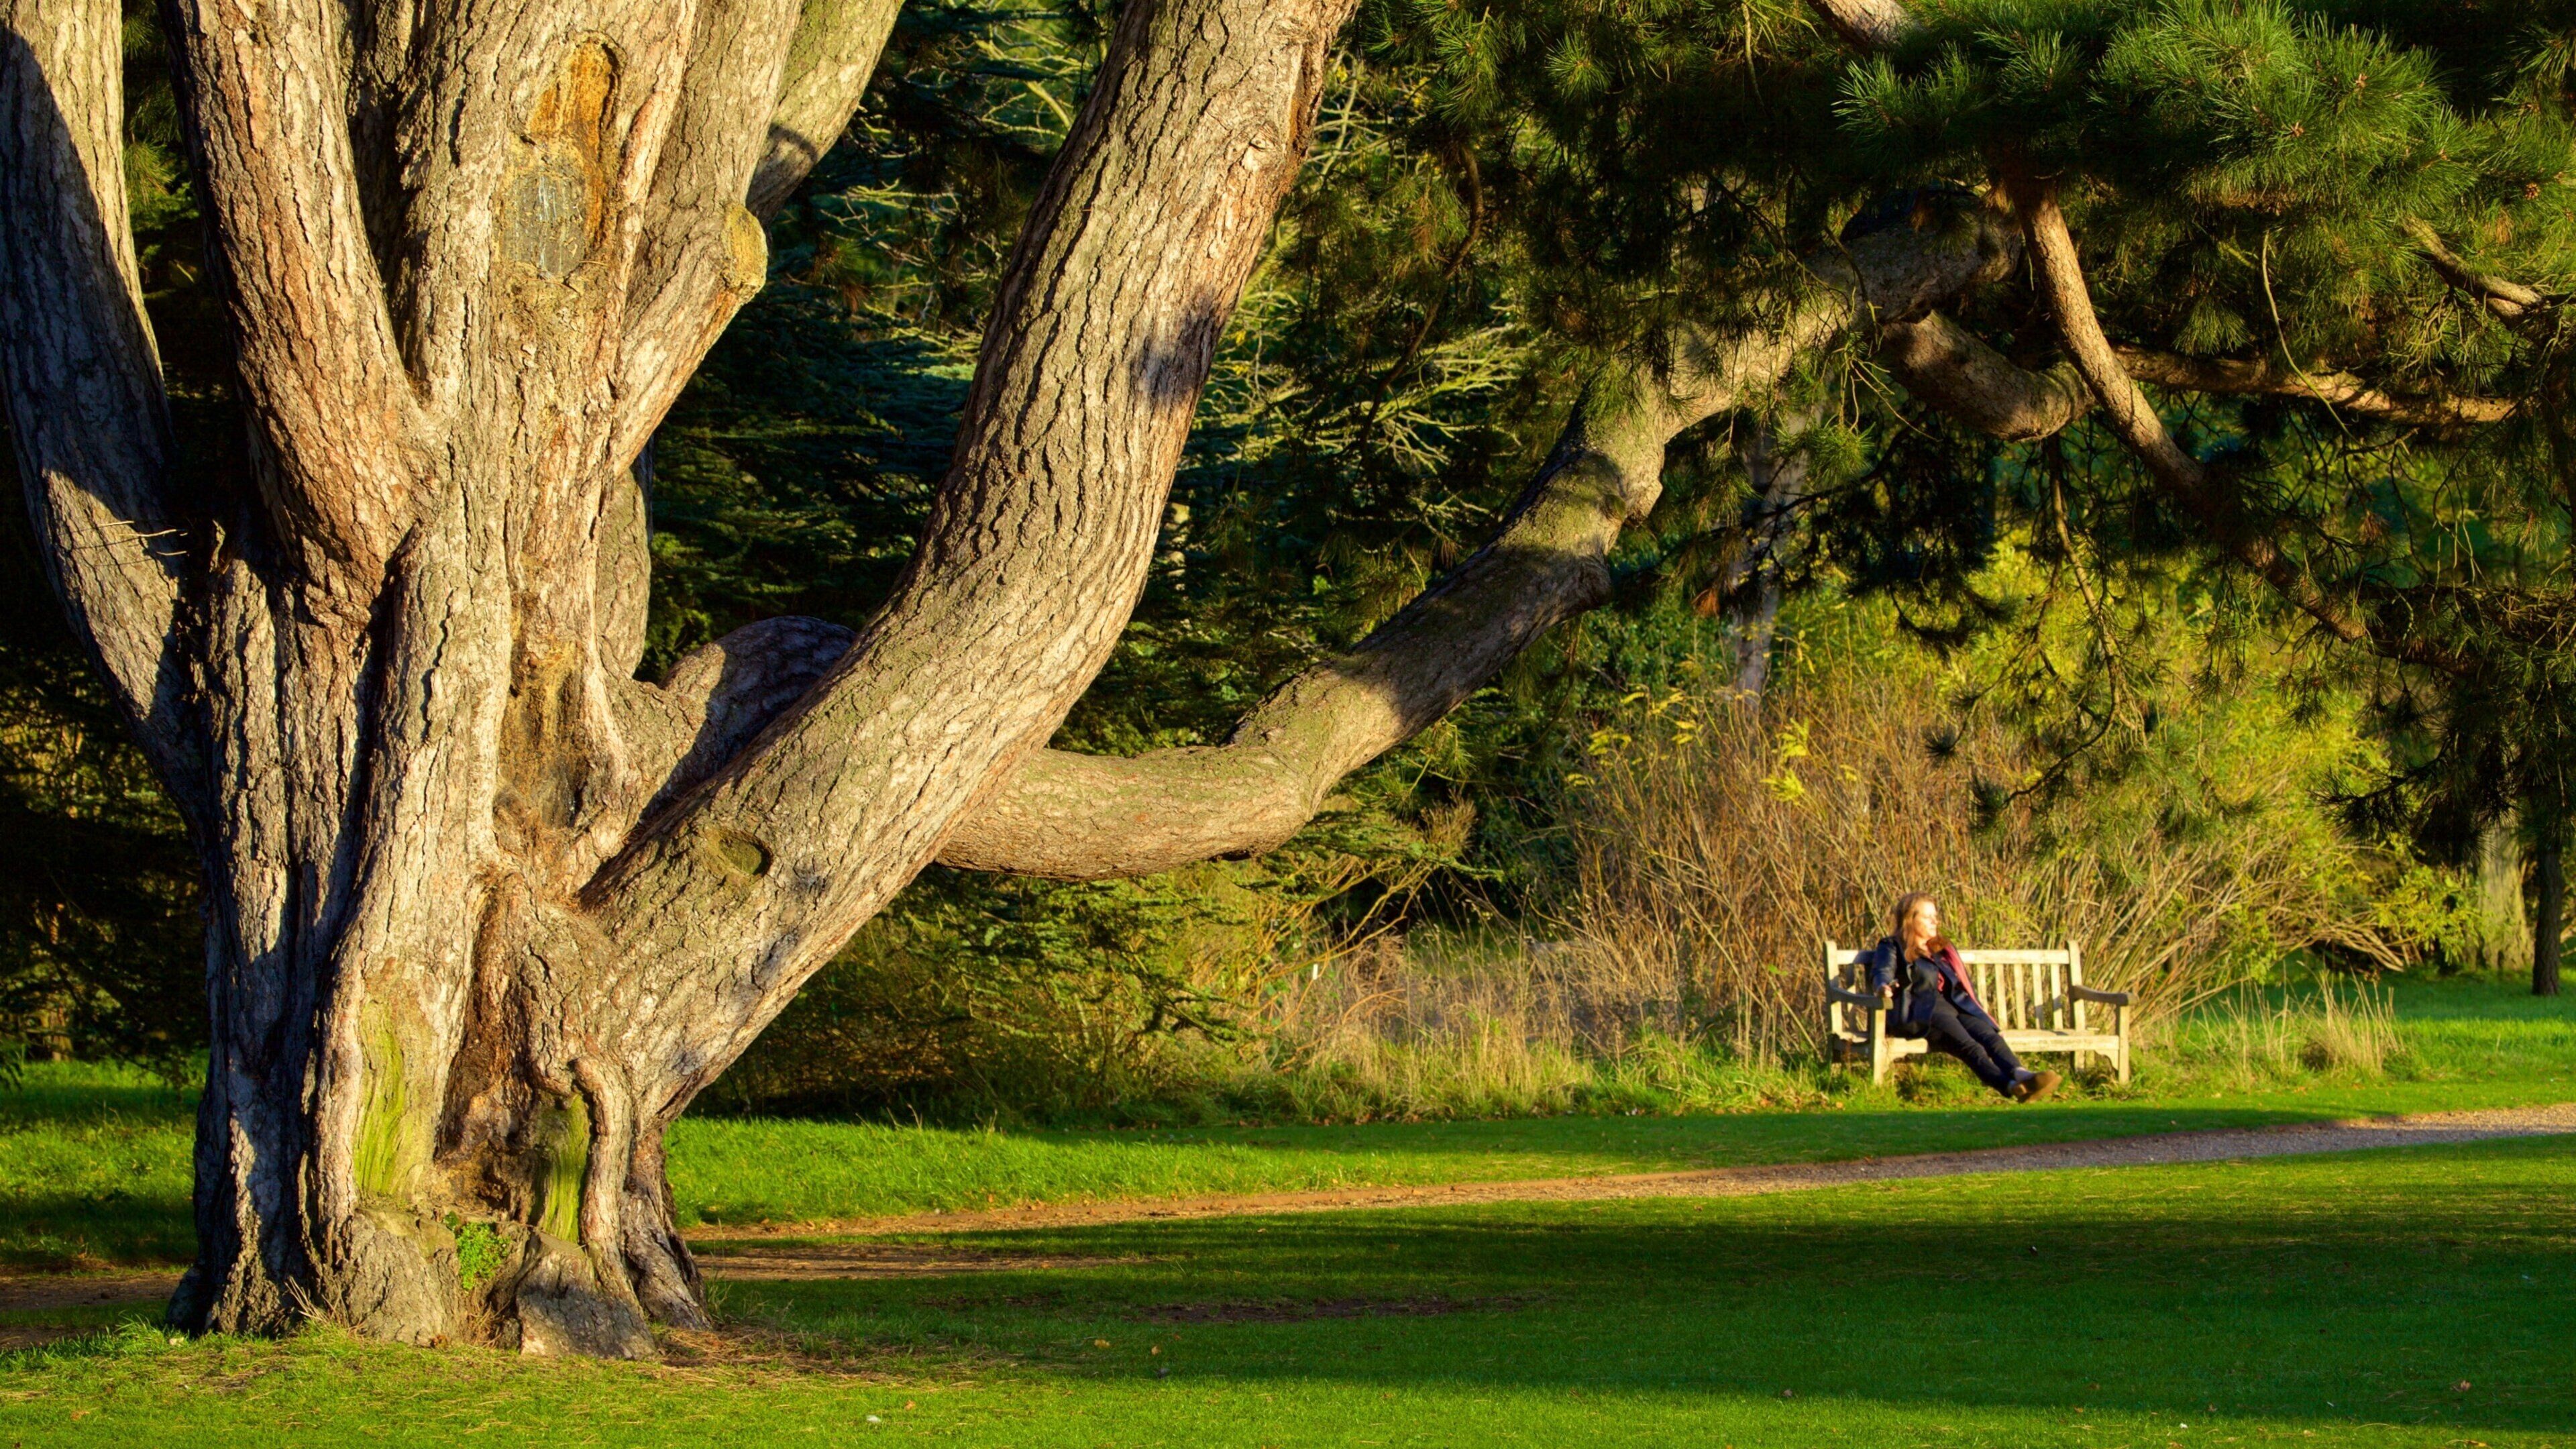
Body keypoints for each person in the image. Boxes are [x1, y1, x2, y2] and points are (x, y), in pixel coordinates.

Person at [1858, 893, 2062, 1102]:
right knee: (1969, 1047)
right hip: (1923, 1010)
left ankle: (2023, 1076)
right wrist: (1883, 986)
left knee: (1990, 1037)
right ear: (1910, 919)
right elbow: (1882, 971)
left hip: (1954, 1004)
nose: (1935, 921)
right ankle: (2010, 1087)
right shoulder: (1892, 946)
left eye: (1935, 916)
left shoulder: (1940, 949)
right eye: (1928, 917)